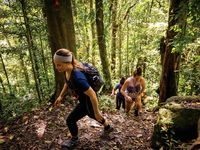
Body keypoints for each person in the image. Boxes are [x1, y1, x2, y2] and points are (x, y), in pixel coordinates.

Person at [53, 49, 113, 148]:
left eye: (59, 65)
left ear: (67, 62)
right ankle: (108, 126)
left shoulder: (77, 77)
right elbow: (67, 83)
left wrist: (97, 111)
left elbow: (92, 94)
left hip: (88, 100)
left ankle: (74, 139)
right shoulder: (67, 70)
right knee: (91, 114)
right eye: (55, 64)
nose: (57, 67)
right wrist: (60, 96)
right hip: (84, 99)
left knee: (70, 120)